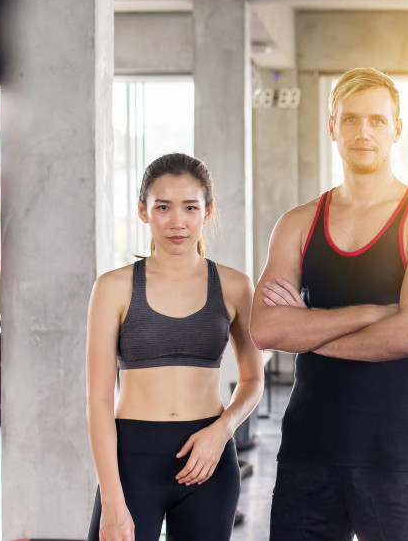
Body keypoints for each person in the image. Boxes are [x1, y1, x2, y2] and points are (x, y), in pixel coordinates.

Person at [250, 67, 408, 540]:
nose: (364, 132)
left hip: (398, 452)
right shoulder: (298, 223)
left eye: (378, 121)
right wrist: (373, 313)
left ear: (397, 128)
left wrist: (306, 330)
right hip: (309, 449)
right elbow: (266, 330)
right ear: (332, 127)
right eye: (351, 119)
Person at [85, 153, 264, 541]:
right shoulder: (112, 287)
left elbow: (253, 379)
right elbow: (98, 400)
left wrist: (222, 431)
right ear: (143, 211)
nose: (177, 221)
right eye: (163, 207)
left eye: (190, 207)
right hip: (132, 462)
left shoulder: (235, 286)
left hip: (209, 463)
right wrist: (113, 504)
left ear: (208, 212)